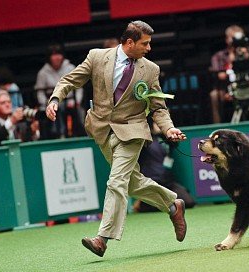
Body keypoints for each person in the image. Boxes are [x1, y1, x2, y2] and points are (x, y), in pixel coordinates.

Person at [46, 20, 187, 258]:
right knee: (132, 183)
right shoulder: (97, 57)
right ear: (129, 42)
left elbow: (158, 107)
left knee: (117, 182)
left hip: (132, 131)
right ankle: (173, 205)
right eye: (145, 43)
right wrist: (54, 99)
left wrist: (169, 129)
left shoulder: (150, 69)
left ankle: (102, 239)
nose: (149, 48)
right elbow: (70, 80)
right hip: (102, 130)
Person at [133, 119, 195, 212]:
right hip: (152, 183)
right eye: (158, 123)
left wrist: (170, 133)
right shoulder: (143, 140)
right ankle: (142, 203)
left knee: (189, 202)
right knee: (150, 205)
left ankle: (160, 202)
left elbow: (175, 143)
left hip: (168, 183)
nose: (162, 125)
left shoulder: (165, 139)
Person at [35, 44, 84, 138]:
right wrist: (46, 103)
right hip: (52, 102)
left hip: (70, 100)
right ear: (49, 57)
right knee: (56, 108)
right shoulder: (43, 72)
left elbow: (79, 87)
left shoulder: (70, 68)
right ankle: (59, 134)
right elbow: (39, 92)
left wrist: (76, 101)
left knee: (79, 111)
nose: (56, 57)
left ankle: (82, 134)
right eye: (53, 55)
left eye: (58, 54)